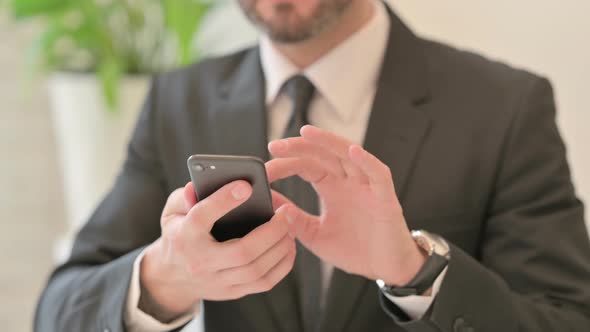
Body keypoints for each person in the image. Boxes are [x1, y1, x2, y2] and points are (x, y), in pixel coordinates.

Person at [35, 0, 590, 331]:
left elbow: (567, 322)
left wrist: (415, 271)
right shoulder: (177, 102)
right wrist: (166, 276)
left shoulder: (504, 106)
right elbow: (58, 312)